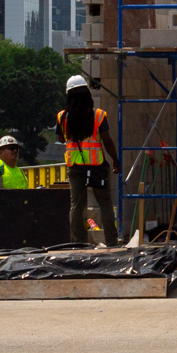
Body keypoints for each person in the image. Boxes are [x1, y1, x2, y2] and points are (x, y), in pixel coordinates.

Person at [57, 74, 122, 247]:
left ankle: (79, 243)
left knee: (77, 206)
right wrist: (115, 160)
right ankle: (112, 242)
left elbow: (61, 139)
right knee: (105, 204)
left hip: (75, 167)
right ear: (87, 94)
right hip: (97, 167)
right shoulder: (98, 115)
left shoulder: (62, 117)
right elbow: (107, 140)